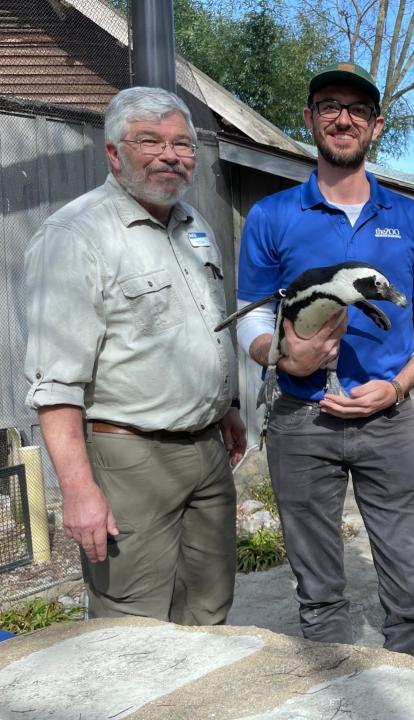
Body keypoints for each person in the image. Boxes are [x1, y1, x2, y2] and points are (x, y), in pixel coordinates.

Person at [235, 62, 414, 661]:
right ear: (309, 118)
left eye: (357, 110)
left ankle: (410, 691)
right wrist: (281, 357)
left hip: (386, 423)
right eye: (329, 105)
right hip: (301, 421)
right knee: (318, 591)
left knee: (411, 588)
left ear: (376, 125)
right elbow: (252, 318)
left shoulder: (413, 219)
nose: (343, 118)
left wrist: (401, 385)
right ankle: (339, 691)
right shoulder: (272, 216)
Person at [23, 86, 246, 623]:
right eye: (151, 141)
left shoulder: (195, 226)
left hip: (207, 451)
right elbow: (56, 385)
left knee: (210, 607)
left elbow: (197, 330)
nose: (171, 155)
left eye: (184, 144)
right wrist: (78, 491)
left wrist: (227, 406)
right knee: (133, 624)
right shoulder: (75, 236)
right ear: (113, 152)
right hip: (130, 458)